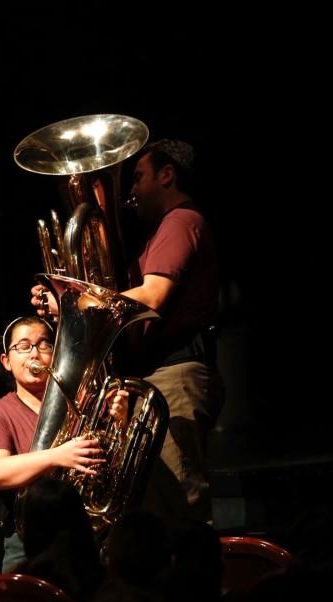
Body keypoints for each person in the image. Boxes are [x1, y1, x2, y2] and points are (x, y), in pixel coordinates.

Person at [31, 138, 224, 526]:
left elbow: (153, 295)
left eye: (137, 178)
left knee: (175, 505)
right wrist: (67, 304)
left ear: (167, 175)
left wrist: (76, 304)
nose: (130, 190)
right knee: (154, 503)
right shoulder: (161, 233)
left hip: (173, 370)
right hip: (156, 373)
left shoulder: (180, 221)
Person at [0, 315, 101, 571]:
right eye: (23, 346)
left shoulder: (81, 406)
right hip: (26, 539)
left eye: (44, 345)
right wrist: (57, 456)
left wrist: (119, 422)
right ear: (6, 362)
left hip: (85, 533)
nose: (35, 354)